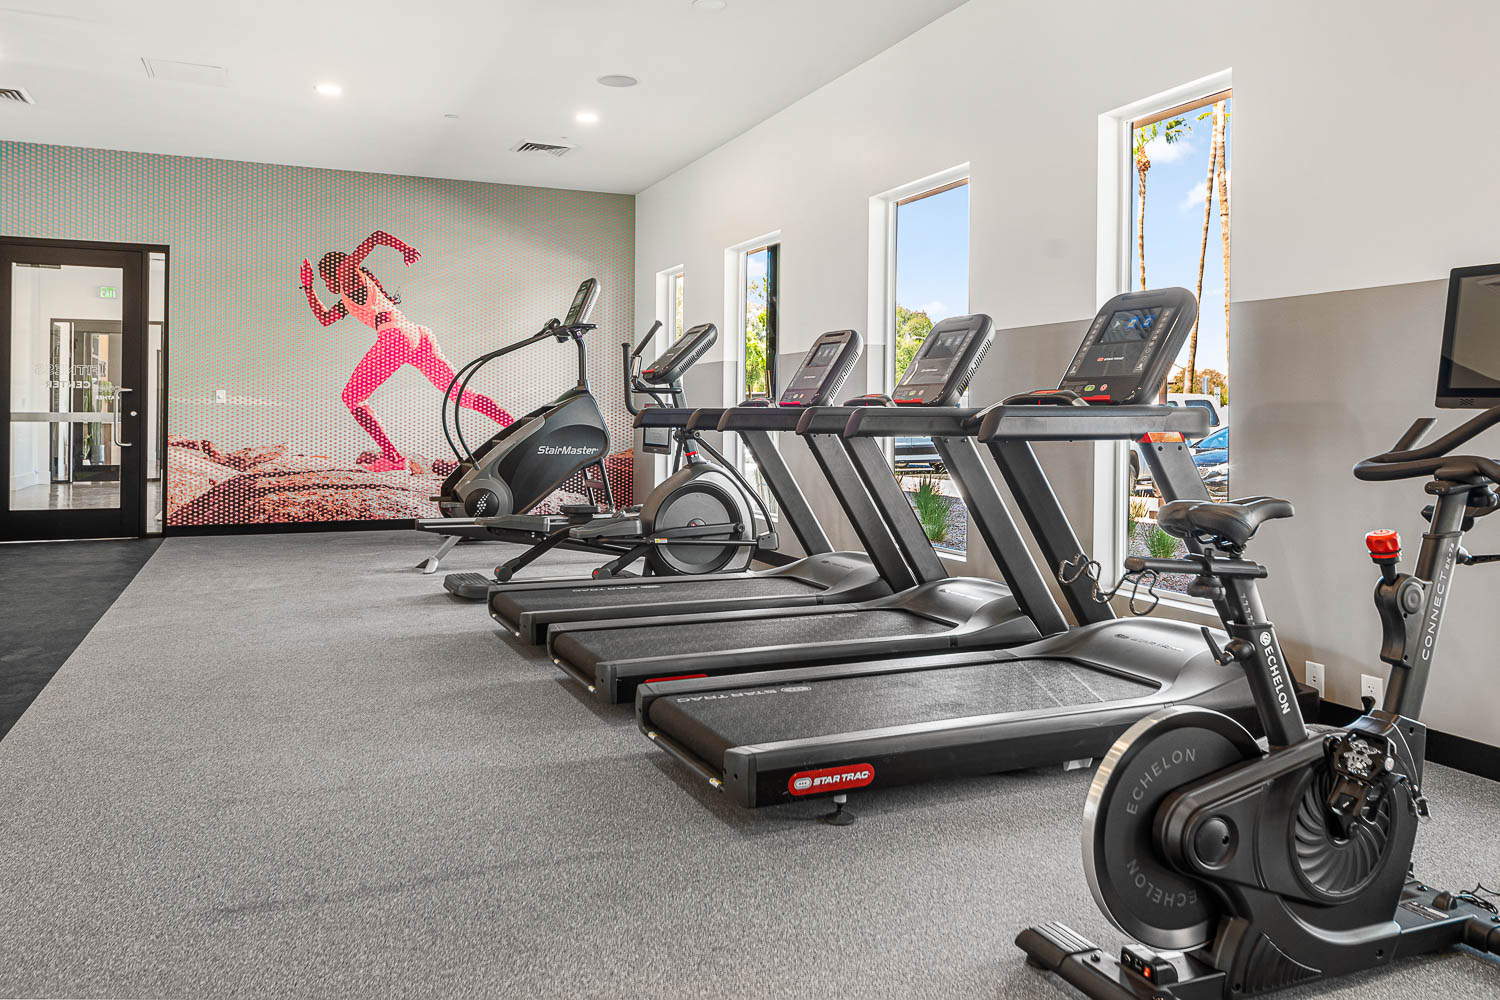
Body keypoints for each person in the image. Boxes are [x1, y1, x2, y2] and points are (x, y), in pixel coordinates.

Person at [300, 230, 511, 472]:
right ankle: (515, 427)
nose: (325, 284)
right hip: (417, 335)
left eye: (324, 279)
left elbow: (375, 237)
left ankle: (394, 458)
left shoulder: (347, 275)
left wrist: (404, 248)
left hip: (395, 338)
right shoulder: (351, 295)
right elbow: (325, 318)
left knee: (352, 397)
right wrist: (308, 287)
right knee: (459, 395)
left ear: (333, 271)